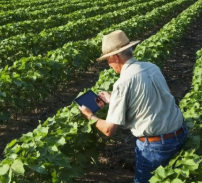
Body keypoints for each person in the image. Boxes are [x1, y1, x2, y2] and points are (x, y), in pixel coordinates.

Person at [79, 30, 188, 183]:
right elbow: (154, 99)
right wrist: (113, 100)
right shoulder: (152, 67)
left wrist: (90, 115)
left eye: (108, 60)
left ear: (115, 57)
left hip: (157, 146)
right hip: (180, 133)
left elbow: (109, 130)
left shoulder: (123, 82)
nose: (109, 65)